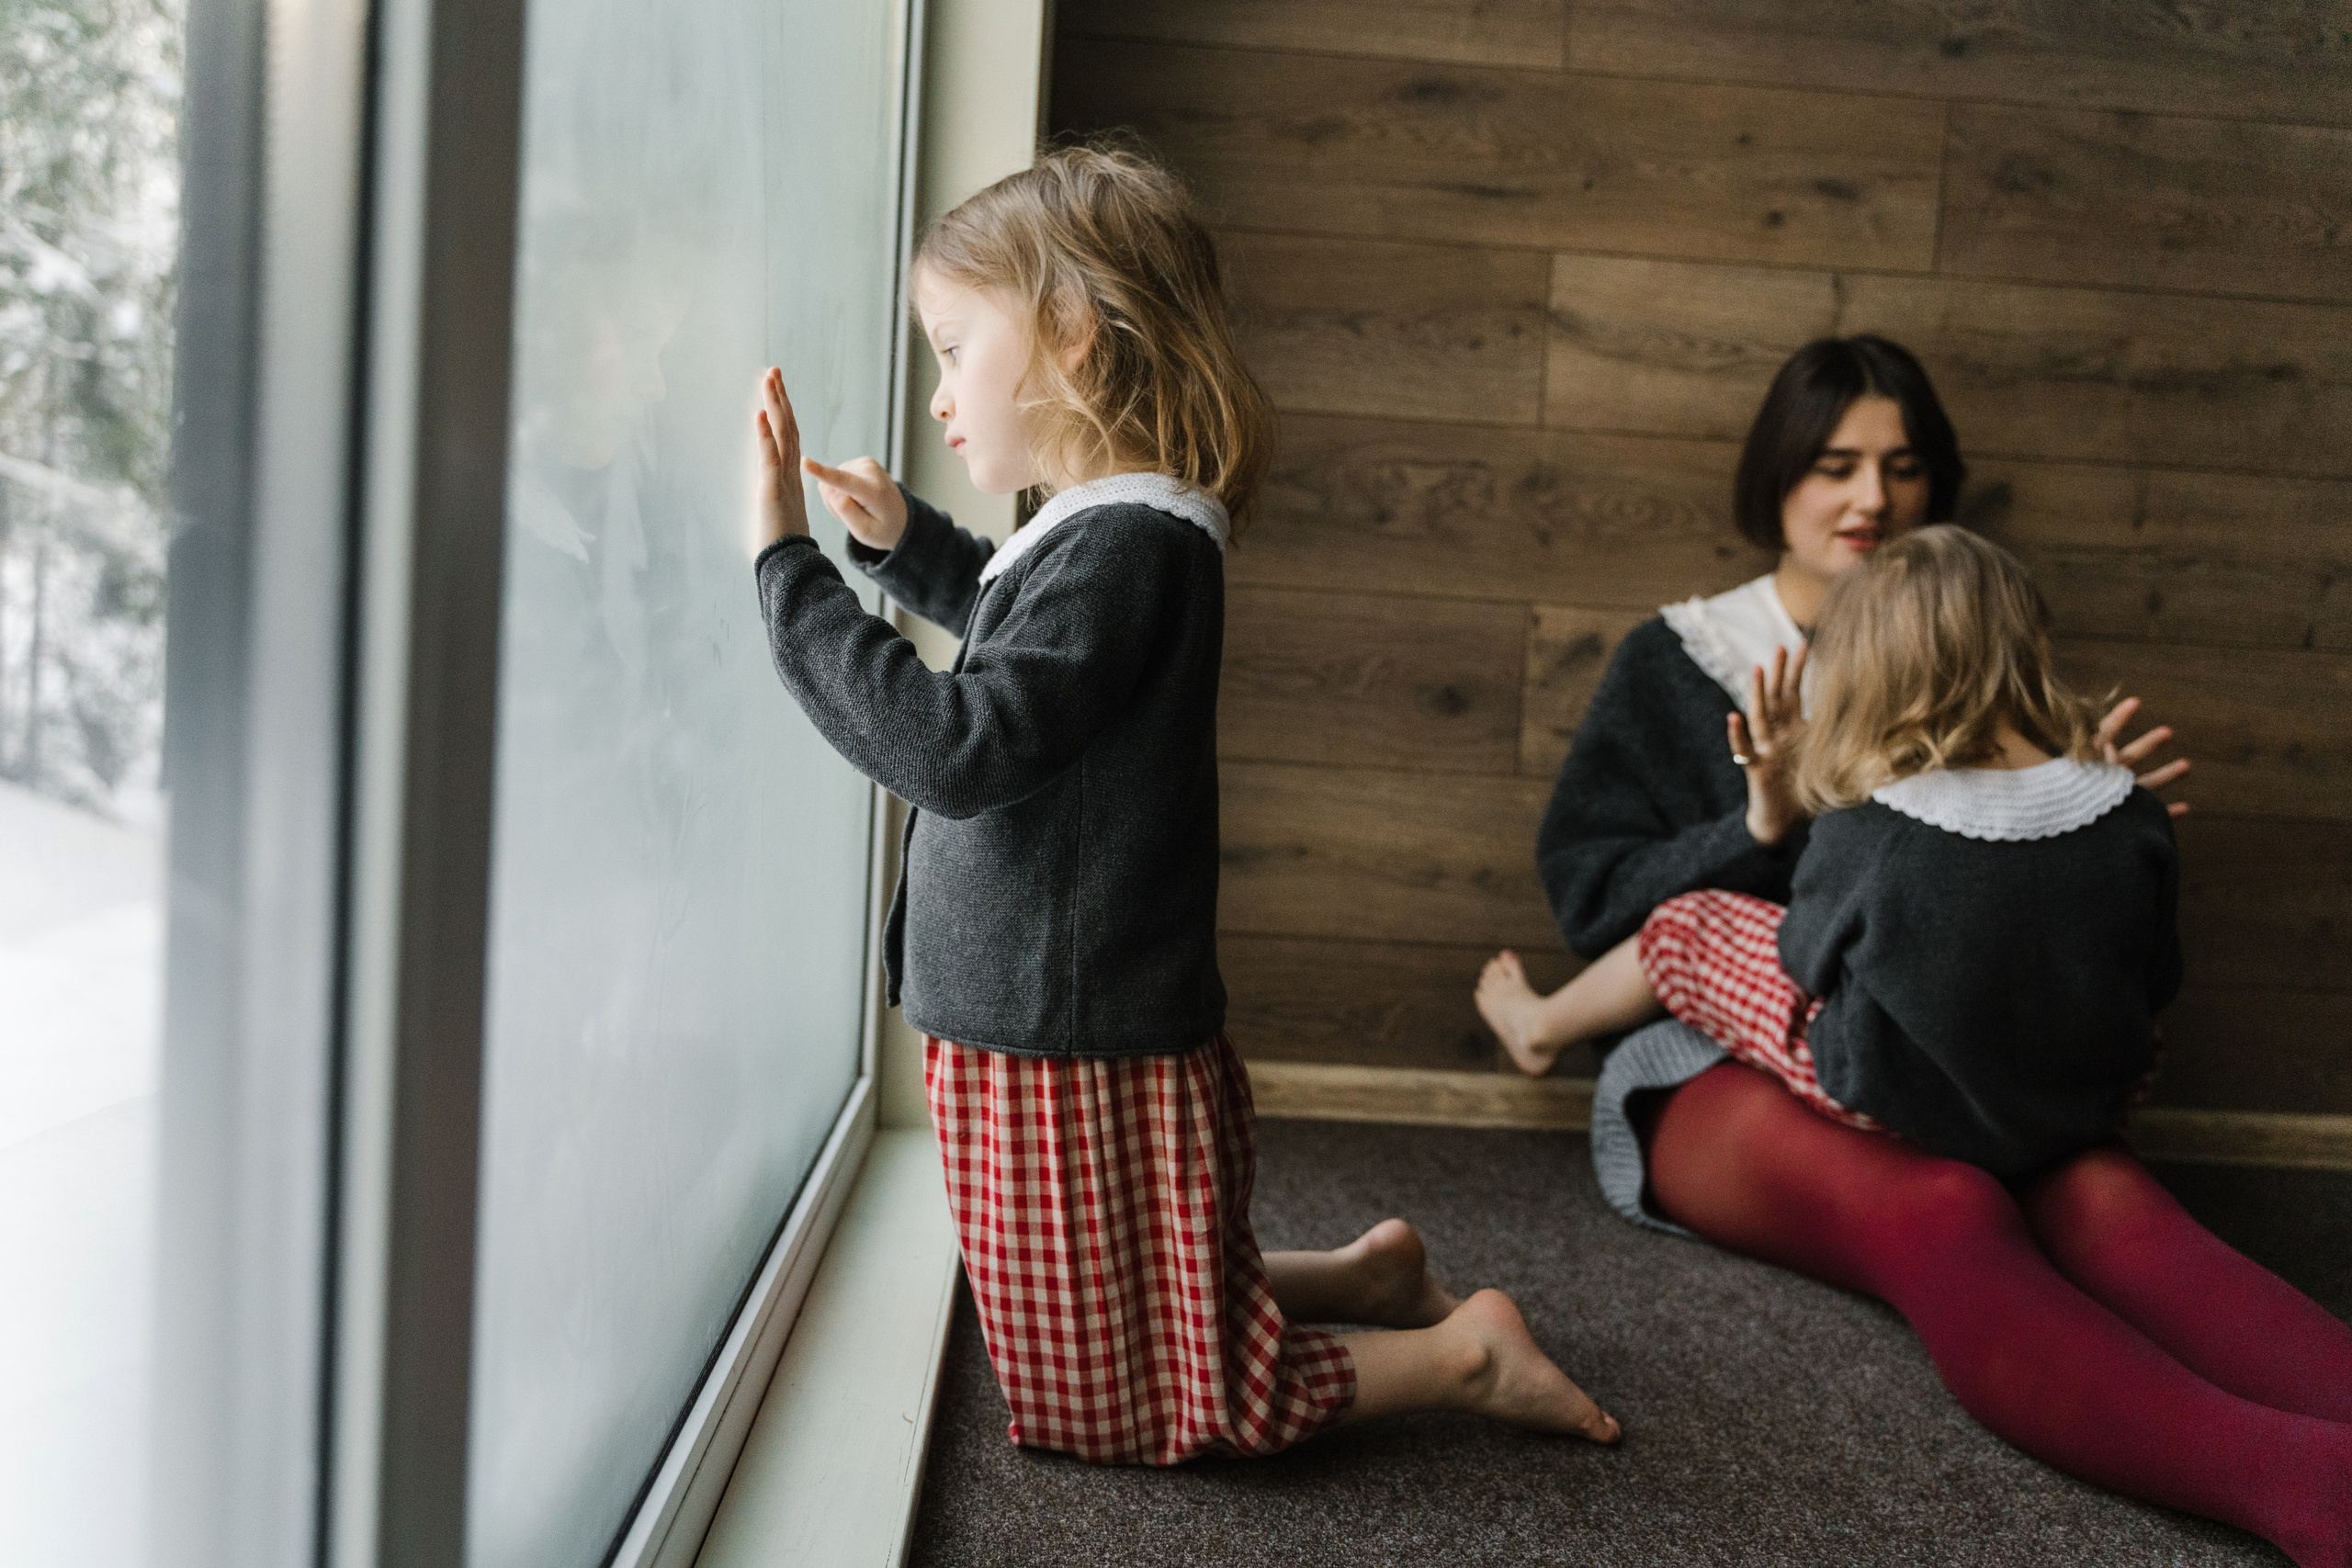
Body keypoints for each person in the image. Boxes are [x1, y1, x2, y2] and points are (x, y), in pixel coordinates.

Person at [743, 145, 1619, 1465]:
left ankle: (1459, 1356)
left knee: (1123, 1403)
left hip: (1066, 1029)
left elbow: (960, 741)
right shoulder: (1112, 528)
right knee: (1128, 1297)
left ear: (1075, 342)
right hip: (1055, 1014)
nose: (936, 397)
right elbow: (1018, 634)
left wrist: (791, 578)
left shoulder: (1126, 549)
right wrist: (902, 544)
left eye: (953, 349)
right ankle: (1357, 1283)